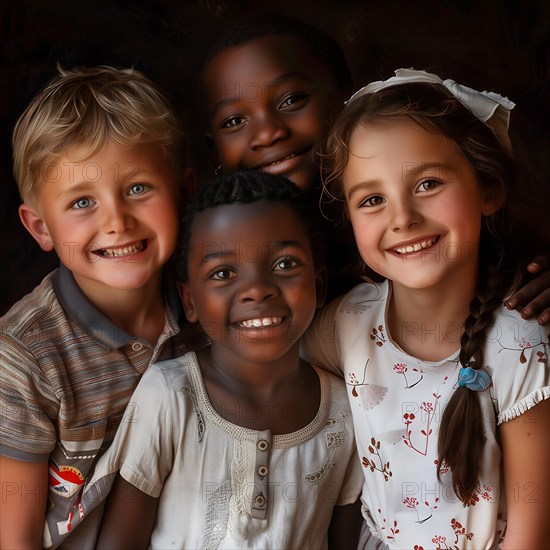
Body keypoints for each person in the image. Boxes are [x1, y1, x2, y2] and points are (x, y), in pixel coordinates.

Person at [301, 68, 550, 549]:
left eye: (429, 183)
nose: (402, 218)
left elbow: (531, 536)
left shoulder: (520, 345)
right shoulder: (348, 322)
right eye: (372, 199)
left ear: (488, 190)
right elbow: (267, 369)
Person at [74, 170, 364, 549]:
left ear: (319, 284)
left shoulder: (347, 412)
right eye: (224, 272)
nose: (257, 289)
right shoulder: (170, 396)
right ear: (190, 301)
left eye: (285, 264)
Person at [201, 14, 550, 325]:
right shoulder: (215, 255)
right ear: (212, 149)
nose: (267, 133)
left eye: (292, 100)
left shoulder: (463, 231)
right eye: (233, 120)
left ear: (347, 101)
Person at [0, 65, 207, 549]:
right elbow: (15, 537)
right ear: (40, 228)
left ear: (184, 190)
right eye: (81, 203)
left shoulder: (209, 301)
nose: (116, 221)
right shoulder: (25, 355)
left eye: (138, 188)